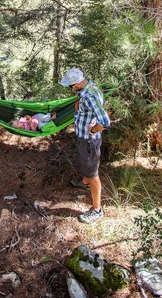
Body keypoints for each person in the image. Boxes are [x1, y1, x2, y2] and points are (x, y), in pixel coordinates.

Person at [60, 67, 110, 224]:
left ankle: (97, 210)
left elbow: (105, 122)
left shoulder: (88, 97)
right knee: (87, 166)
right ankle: (84, 182)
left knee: (93, 172)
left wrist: (92, 130)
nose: (71, 89)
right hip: (86, 139)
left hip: (89, 140)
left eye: (70, 86)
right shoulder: (91, 86)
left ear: (76, 84)